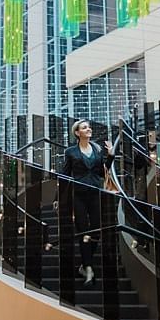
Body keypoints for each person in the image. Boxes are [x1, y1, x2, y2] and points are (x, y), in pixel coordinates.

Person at [60, 119, 114, 286]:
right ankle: (89, 269)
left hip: (95, 193)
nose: (88, 129)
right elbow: (65, 174)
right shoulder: (71, 152)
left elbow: (102, 172)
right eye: (84, 127)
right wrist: (58, 197)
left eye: (88, 127)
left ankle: (84, 264)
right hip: (79, 196)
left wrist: (110, 155)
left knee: (96, 232)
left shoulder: (97, 150)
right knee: (84, 232)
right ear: (77, 133)